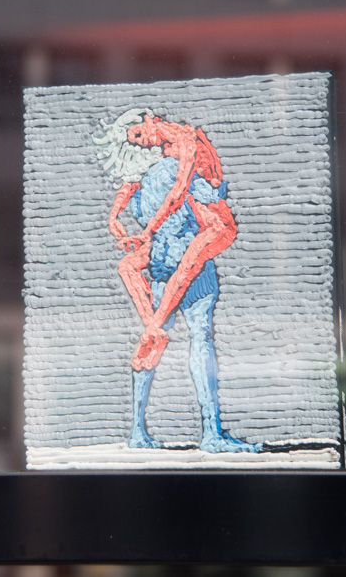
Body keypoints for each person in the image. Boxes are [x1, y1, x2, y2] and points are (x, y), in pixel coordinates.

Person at [93, 109, 262, 453]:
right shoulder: (176, 167)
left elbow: (141, 215)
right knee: (200, 338)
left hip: (160, 266)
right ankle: (211, 433)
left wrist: (139, 230)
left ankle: (137, 432)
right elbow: (210, 198)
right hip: (191, 265)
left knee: (154, 337)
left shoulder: (138, 185)